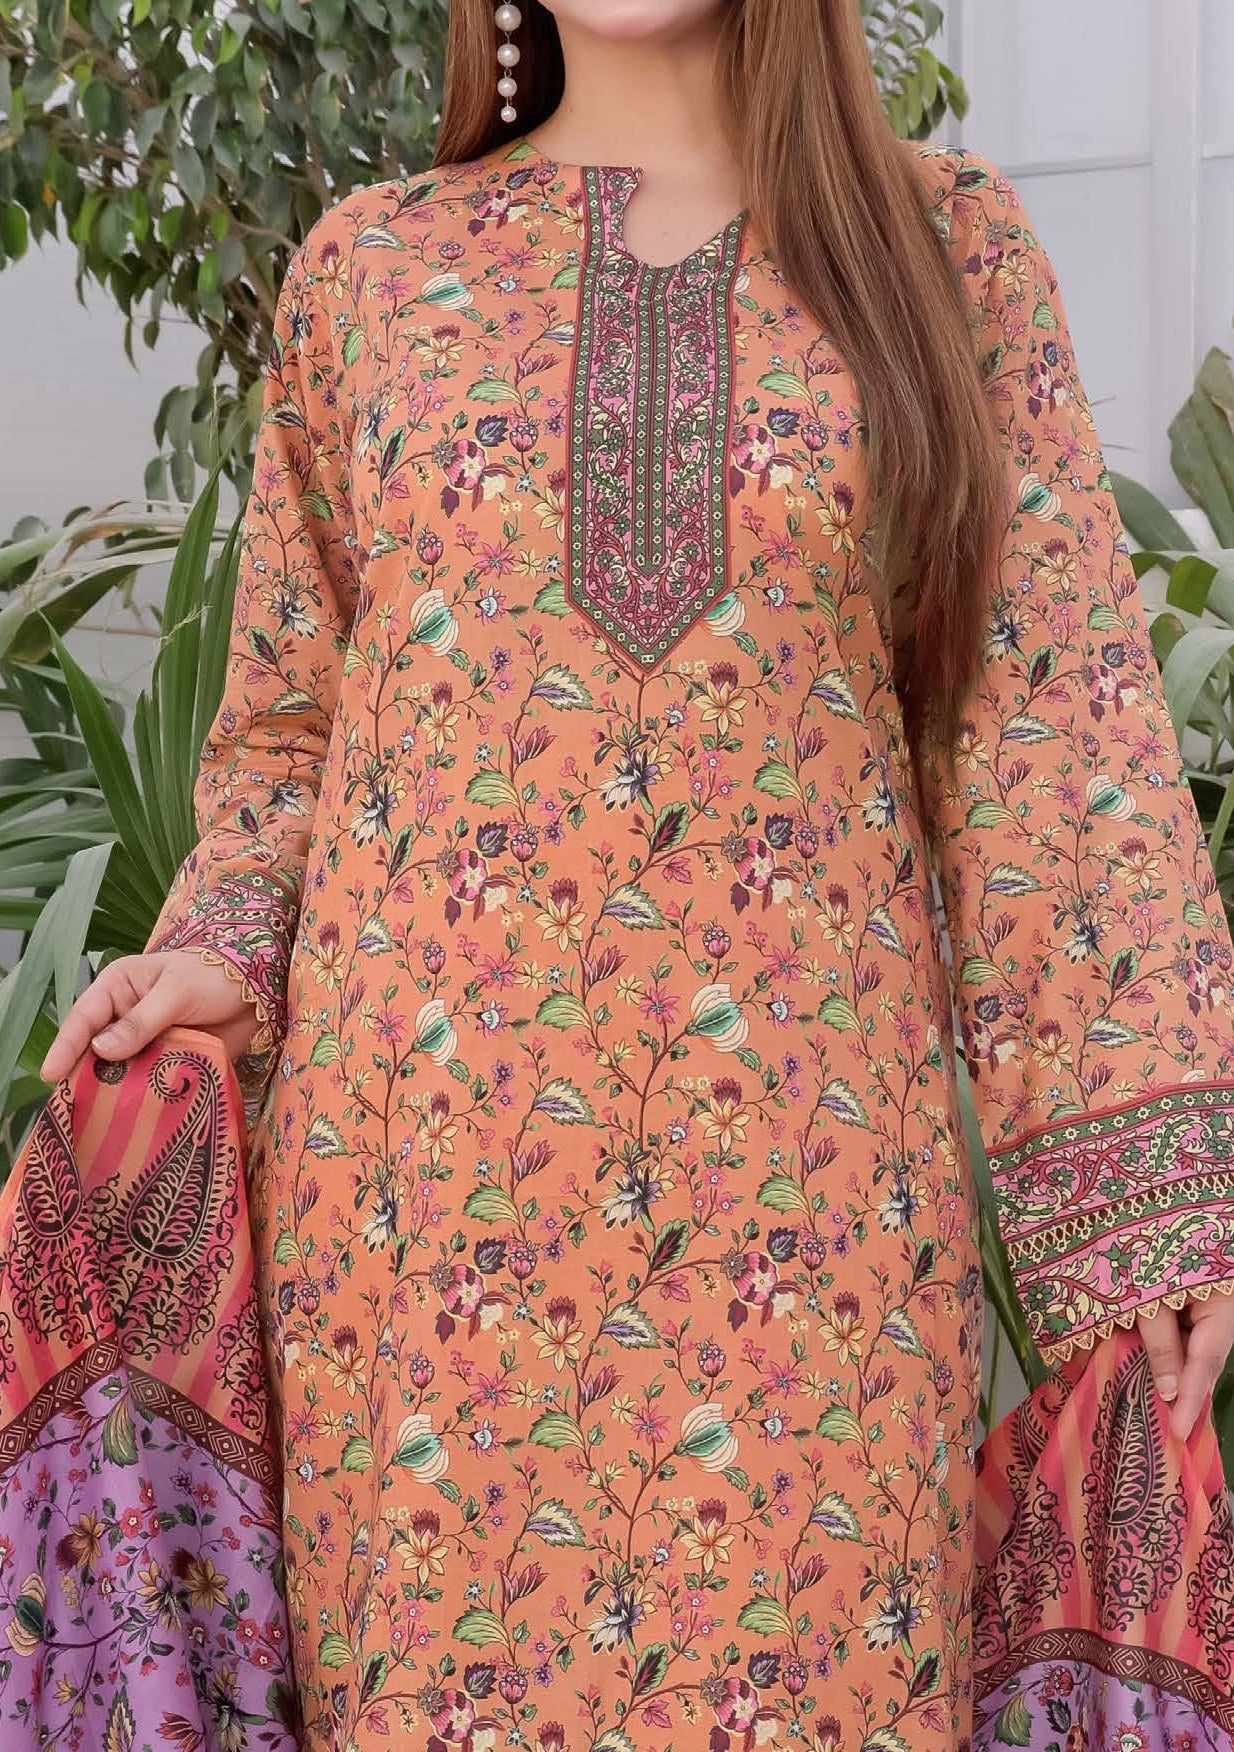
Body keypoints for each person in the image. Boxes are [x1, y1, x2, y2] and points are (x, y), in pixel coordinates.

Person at [39, 2, 1234, 1747]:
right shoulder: (369, 271)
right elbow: (291, 734)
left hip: (807, 1240)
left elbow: (1050, 736)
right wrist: (225, 947)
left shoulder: (943, 249)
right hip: (423, 1247)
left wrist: (1146, 1198)